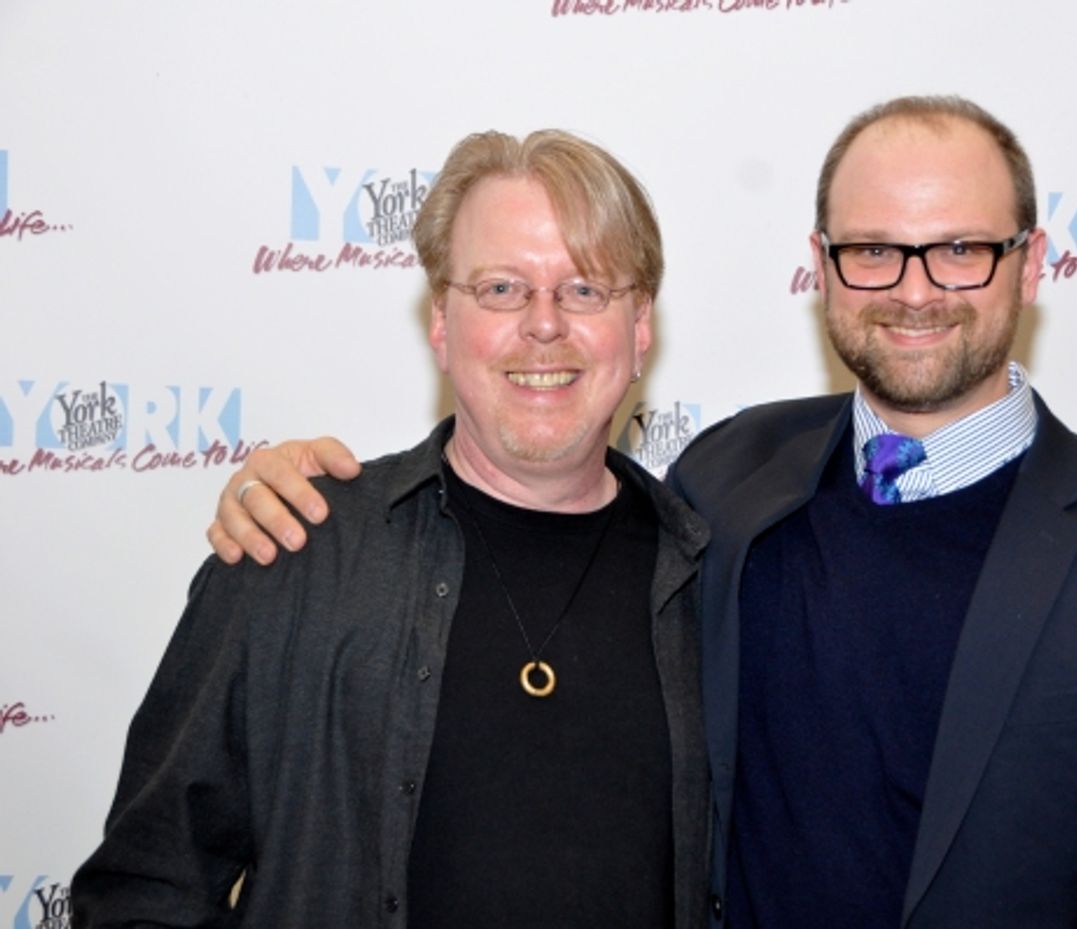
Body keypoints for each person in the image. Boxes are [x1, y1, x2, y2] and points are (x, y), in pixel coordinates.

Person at [207, 96, 1077, 928]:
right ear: (820, 267)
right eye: (872, 249)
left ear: (1029, 264)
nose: (914, 288)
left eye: (960, 248)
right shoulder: (730, 477)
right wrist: (301, 485)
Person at [73, 129, 711, 929]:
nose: (544, 325)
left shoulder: (711, 581)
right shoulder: (294, 549)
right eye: (503, 289)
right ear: (441, 320)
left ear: (640, 325)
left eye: (585, 289)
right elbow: (144, 890)